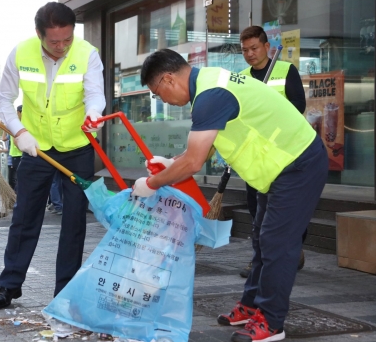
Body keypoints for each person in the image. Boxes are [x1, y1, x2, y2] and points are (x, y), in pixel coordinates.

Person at [132, 49, 328, 342]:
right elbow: (203, 146)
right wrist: (172, 164)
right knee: (263, 239)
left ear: (168, 79)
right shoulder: (209, 83)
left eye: (157, 93)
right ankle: (251, 306)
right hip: (275, 170)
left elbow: (195, 162)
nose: (162, 100)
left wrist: (152, 183)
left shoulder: (210, 95)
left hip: (298, 163)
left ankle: (272, 323)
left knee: (277, 243)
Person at [0, 1, 106, 310]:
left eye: (67, 39)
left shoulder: (87, 54)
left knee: (73, 221)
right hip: (35, 147)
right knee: (25, 217)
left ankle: (65, 291)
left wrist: (94, 113)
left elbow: (95, 94)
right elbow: (3, 98)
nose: (61, 46)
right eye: (54, 40)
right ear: (39, 34)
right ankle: (9, 286)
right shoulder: (21, 52)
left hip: (77, 146)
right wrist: (18, 131)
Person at [239, 25, 308, 277]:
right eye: (245, 50)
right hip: (254, 153)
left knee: (286, 204)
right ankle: (259, 258)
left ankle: (293, 247)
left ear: (267, 47)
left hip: (283, 152)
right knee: (255, 206)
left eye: (254, 48)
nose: (249, 54)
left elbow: (298, 105)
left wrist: (270, 111)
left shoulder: (285, 69)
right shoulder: (242, 76)